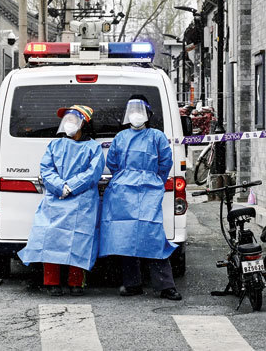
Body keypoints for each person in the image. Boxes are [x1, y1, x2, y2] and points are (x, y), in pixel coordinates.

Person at [99, 96, 182, 301]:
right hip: (124, 192)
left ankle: (164, 286)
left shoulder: (157, 137)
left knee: (153, 236)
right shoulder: (120, 137)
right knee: (128, 238)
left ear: (148, 113)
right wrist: (134, 178)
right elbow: (114, 163)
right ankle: (132, 283)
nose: (136, 114)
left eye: (139, 109)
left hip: (148, 191)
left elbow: (165, 163)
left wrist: (151, 181)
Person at [18, 104, 104, 297]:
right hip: (57, 199)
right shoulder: (55, 145)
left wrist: (70, 187)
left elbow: (93, 173)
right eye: (68, 120)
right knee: (50, 240)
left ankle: (76, 282)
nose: (69, 124)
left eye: (74, 120)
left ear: (84, 124)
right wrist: (60, 186)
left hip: (81, 202)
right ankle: (51, 282)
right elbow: (46, 169)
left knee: (79, 241)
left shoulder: (93, 148)